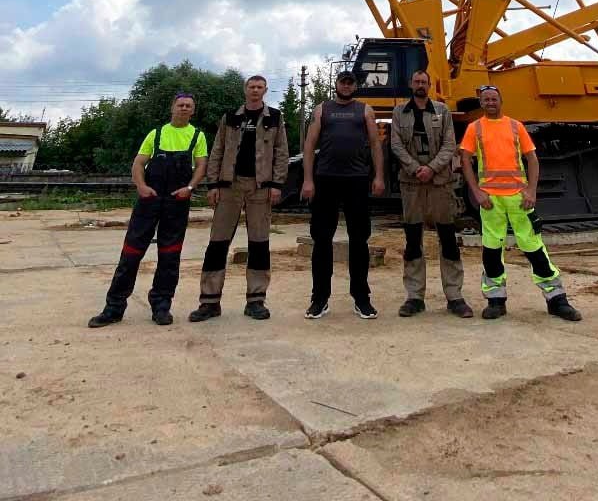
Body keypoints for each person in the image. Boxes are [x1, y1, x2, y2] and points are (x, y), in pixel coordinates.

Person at [460, 85, 581, 322]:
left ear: (500, 101)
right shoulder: (474, 128)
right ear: (481, 103)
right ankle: (496, 301)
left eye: (494, 98)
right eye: (486, 99)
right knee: (491, 251)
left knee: (534, 247)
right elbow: (465, 160)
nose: (490, 102)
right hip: (490, 201)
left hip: (519, 199)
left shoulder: (516, 126)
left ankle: (557, 299)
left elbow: (532, 159)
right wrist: (476, 192)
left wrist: (531, 190)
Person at [88, 92, 207, 328]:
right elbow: (139, 163)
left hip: (177, 202)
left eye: (188, 106)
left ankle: (161, 306)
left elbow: (202, 165)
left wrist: (190, 187)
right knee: (130, 254)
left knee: (169, 257)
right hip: (149, 201)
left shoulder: (198, 136)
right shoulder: (157, 133)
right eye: (180, 104)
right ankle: (113, 308)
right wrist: (141, 187)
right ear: (172, 107)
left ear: (192, 111)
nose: (184, 108)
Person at [189, 75, 288, 323]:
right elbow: (218, 150)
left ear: (265, 91)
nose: (255, 90)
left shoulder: (274, 117)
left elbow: (281, 152)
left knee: (259, 242)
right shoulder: (230, 117)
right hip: (229, 186)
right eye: (251, 87)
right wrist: (213, 184)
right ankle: (209, 302)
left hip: (260, 187)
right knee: (218, 243)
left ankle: (256, 300)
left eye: (259, 87)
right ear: (245, 90)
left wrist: (276, 184)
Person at [301, 69, 385, 320]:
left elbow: (375, 145)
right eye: (343, 82)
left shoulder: (365, 110)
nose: (346, 86)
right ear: (336, 84)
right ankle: (319, 299)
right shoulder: (322, 109)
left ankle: (361, 298)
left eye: (350, 83)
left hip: (357, 180)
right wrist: (308, 180)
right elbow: (308, 145)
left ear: (355, 86)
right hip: (326, 180)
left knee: (359, 240)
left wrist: (378, 177)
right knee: (322, 239)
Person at [390, 68, 473, 318]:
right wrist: (416, 169)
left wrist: (432, 168)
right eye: (416, 81)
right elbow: (395, 144)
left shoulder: (442, 111)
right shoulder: (399, 112)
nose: (420, 85)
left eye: (424, 81)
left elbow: (450, 144)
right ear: (410, 84)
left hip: (440, 183)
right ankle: (415, 297)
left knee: (448, 238)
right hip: (412, 184)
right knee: (413, 239)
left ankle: (454, 296)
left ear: (429, 85)